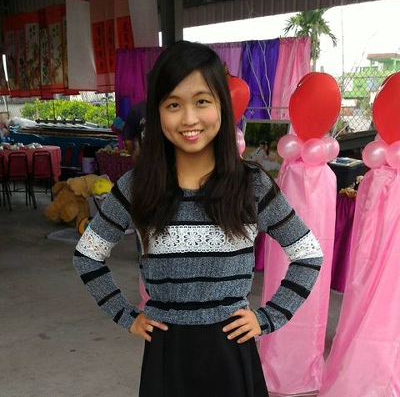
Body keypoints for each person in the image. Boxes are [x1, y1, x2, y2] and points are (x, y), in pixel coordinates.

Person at [73, 41, 323, 397]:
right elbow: (87, 255)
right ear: (157, 112)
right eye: (174, 104)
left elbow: (308, 253)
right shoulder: (137, 186)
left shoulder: (250, 184)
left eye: (202, 101)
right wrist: (125, 315)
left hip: (231, 351)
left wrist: (268, 317)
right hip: (166, 353)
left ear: (221, 105)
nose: (189, 119)